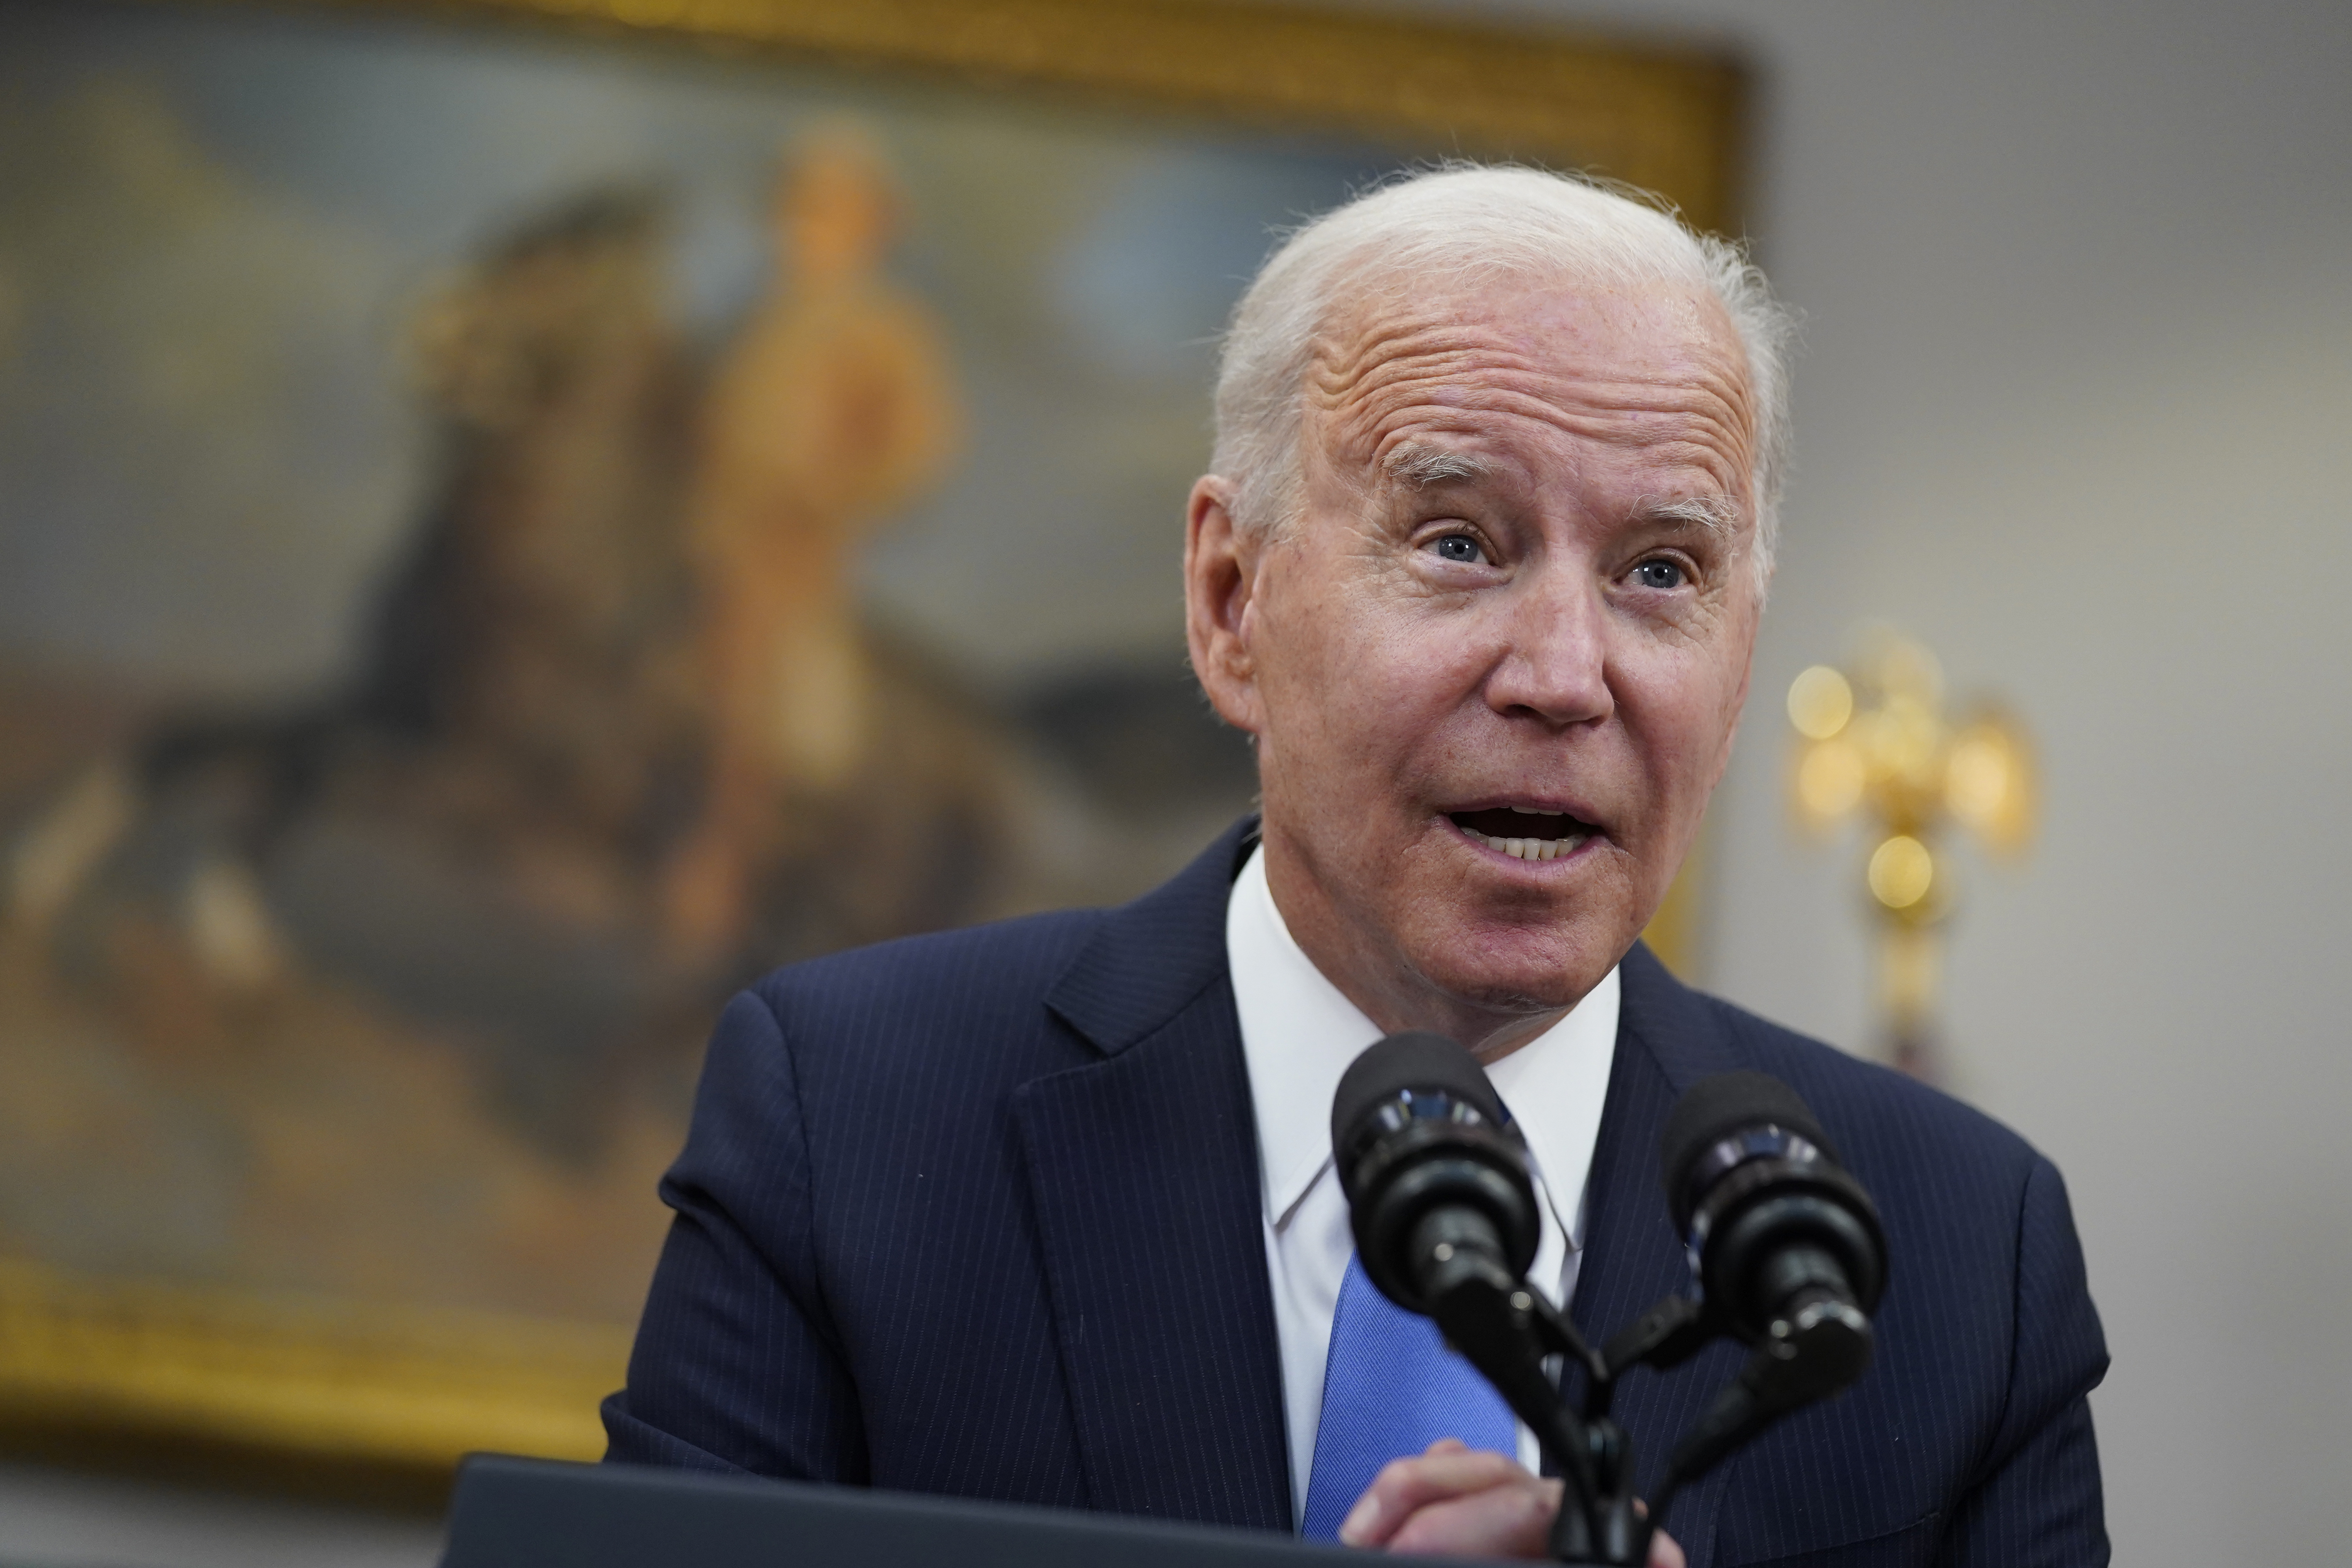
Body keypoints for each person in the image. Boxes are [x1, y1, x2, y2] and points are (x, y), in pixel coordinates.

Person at [601, 166, 2108, 1567]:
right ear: (1229, 599)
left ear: (1741, 652)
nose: (1565, 674)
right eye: (1459, 540)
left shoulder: (1957, 1262)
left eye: (1661, 572)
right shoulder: (852, 1116)